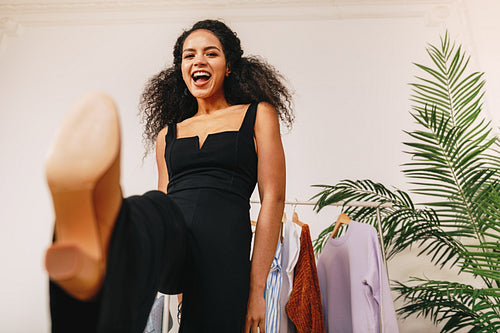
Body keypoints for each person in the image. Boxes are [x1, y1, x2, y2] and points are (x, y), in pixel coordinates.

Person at [45, 19, 293, 333]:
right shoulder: (168, 134)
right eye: (189, 56)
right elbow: (164, 193)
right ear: (181, 68)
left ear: (229, 66)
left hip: (223, 249)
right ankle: (106, 221)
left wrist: (257, 289)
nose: (198, 61)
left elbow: (273, 198)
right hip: (170, 235)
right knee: (153, 208)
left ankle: (99, 257)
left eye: (210, 54)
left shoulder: (257, 115)